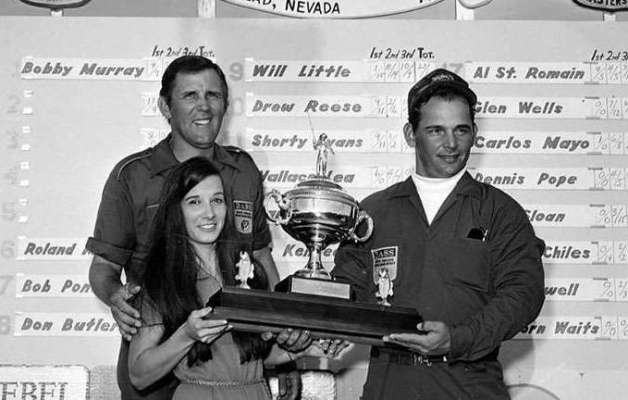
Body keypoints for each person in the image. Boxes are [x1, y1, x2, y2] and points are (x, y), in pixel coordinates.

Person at [87, 55, 295, 400]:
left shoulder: (243, 170)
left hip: (234, 356)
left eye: (213, 95)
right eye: (190, 95)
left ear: (226, 104)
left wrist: (283, 327)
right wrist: (116, 297)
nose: (204, 106)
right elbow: (103, 267)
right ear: (164, 107)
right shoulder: (133, 175)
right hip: (157, 348)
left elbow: (260, 257)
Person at [332, 68, 545, 399]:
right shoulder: (372, 213)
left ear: (475, 133)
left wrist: (458, 339)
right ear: (410, 134)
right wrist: (316, 323)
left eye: (461, 130)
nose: (451, 144)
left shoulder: (501, 212)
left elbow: (523, 295)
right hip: (390, 388)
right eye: (436, 130)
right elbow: (346, 291)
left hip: (469, 388)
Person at [128, 157, 351, 400]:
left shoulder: (248, 272)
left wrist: (301, 350)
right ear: (176, 211)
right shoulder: (162, 280)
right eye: (195, 202)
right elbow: (139, 375)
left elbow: (250, 359)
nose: (209, 213)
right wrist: (186, 335)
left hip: (255, 393)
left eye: (217, 200)